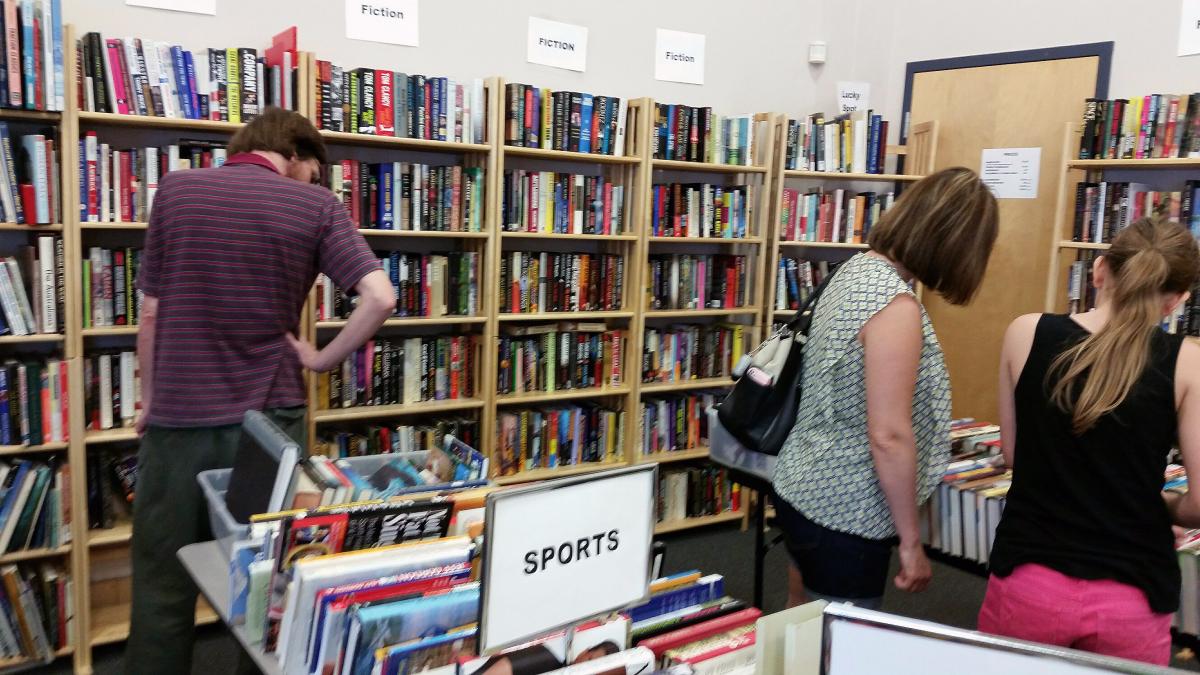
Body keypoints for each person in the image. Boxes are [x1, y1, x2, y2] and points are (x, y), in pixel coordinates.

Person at [126, 107, 396, 673]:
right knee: (271, 576)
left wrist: (150, 401)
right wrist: (320, 360)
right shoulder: (316, 207)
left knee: (162, 579)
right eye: (315, 171)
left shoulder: (176, 191)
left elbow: (149, 315)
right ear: (294, 154)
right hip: (270, 422)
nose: (316, 184)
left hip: (180, 415)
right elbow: (380, 297)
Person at [772, 166, 999, 609]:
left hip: (801, 483)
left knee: (798, 628)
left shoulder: (856, 269)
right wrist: (911, 542)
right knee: (838, 646)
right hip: (845, 509)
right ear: (953, 245)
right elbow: (888, 435)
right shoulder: (895, 306)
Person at [980, 217, 1200, 665]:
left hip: (1028, 580)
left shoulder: (1026, 332)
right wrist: (1161, 504)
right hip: (1132, 596)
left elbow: (1013, 456)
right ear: (1177, 300)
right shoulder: (1188, 364)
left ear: (1099, 271)